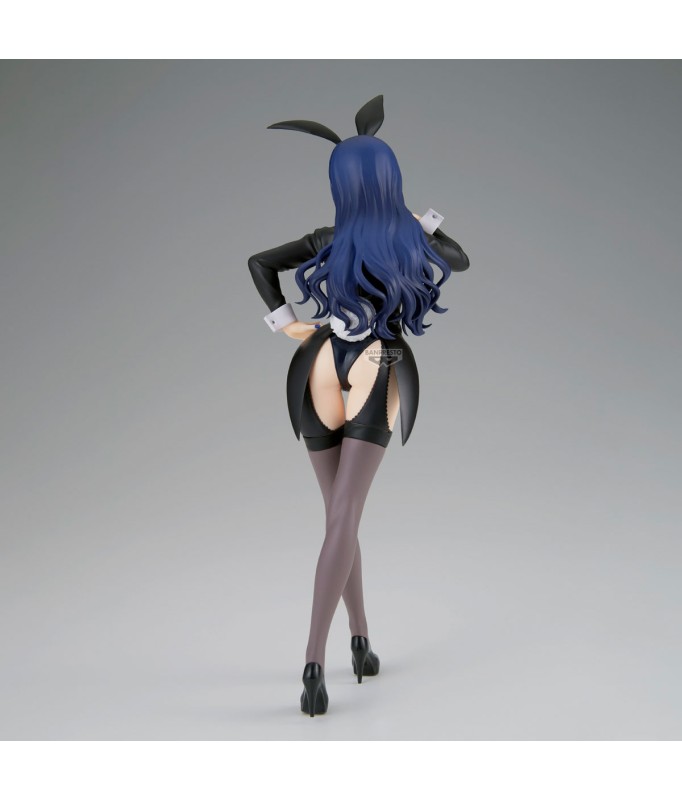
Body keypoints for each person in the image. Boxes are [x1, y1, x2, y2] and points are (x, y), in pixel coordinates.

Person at [247, 95, 470, 716]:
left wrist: (287, 323)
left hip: (319, 359)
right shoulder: (406, 235)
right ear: (389, 178)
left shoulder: (329, 238)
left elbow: (259, 263)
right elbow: (459, 259)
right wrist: (420, 220)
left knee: (337, 518)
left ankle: (359, 641)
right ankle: (313, 662)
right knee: (344, 516)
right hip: (378, 360)